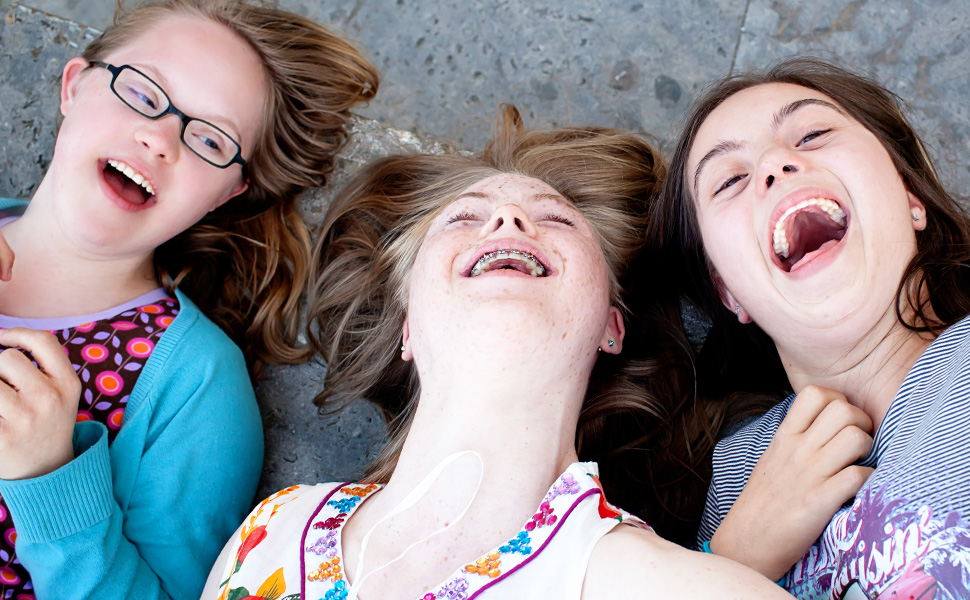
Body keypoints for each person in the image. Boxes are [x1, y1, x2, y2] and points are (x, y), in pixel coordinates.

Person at [202, 106, 793, 600]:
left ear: (611, 327)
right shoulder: (272, 528)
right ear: (407, 325)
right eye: (462, 218)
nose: (508, 220)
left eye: (557, 220)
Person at [0, 1, 379, 598]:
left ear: (228, 192)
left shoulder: (196, 382)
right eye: (145, 94)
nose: (159, 138)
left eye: (209, 138)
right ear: (73, 86)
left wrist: (51, 478)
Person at [653, 56, 970, 599]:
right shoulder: (735, 487)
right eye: (729, 181)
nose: (776, 164)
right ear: (727, 290)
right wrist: (730, 561)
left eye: (813, 134)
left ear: (909, 197)